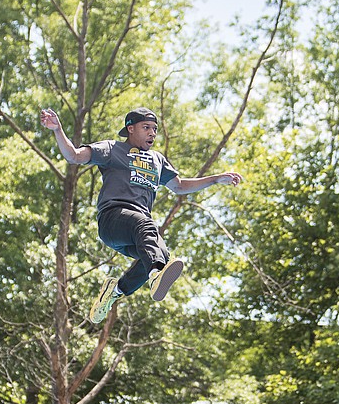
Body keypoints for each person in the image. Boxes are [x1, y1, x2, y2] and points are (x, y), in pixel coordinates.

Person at [40, 106, 242, 323]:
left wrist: (215, 179)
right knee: (148, 233)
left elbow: (180, 186)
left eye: (155, 129)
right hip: (113, 219)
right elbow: (74, 156)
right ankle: (156, 274)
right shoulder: (112, 149)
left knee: (161, 254)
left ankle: (115, 291)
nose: (152, 133)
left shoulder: (157, 160)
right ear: (130, 129)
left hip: (135, 232)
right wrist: (58, 130)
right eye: (146, 128)